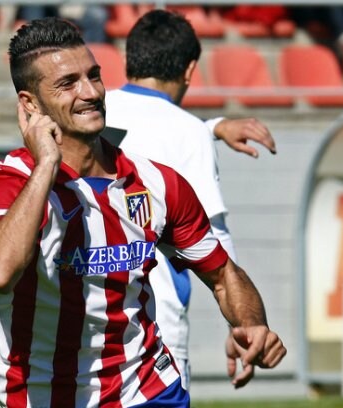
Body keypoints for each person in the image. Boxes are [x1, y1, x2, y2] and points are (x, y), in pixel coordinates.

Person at [0, 17, 286, 407]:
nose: (90, 92)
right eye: (68, 83)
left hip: (146, 387)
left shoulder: (157, 183)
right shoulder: (5, 181)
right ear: (30, 104)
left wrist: (251, 324)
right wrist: (46, 163)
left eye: (94, 76)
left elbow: (222, 273)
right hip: (42, 393)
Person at [104, 9, 277, 390]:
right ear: (190, 69)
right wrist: (244, 325)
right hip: (154, 328)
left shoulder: (90, 111)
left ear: (128, 59)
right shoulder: (185, 132)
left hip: (88, 324)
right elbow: (214, 240)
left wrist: (212, 128)